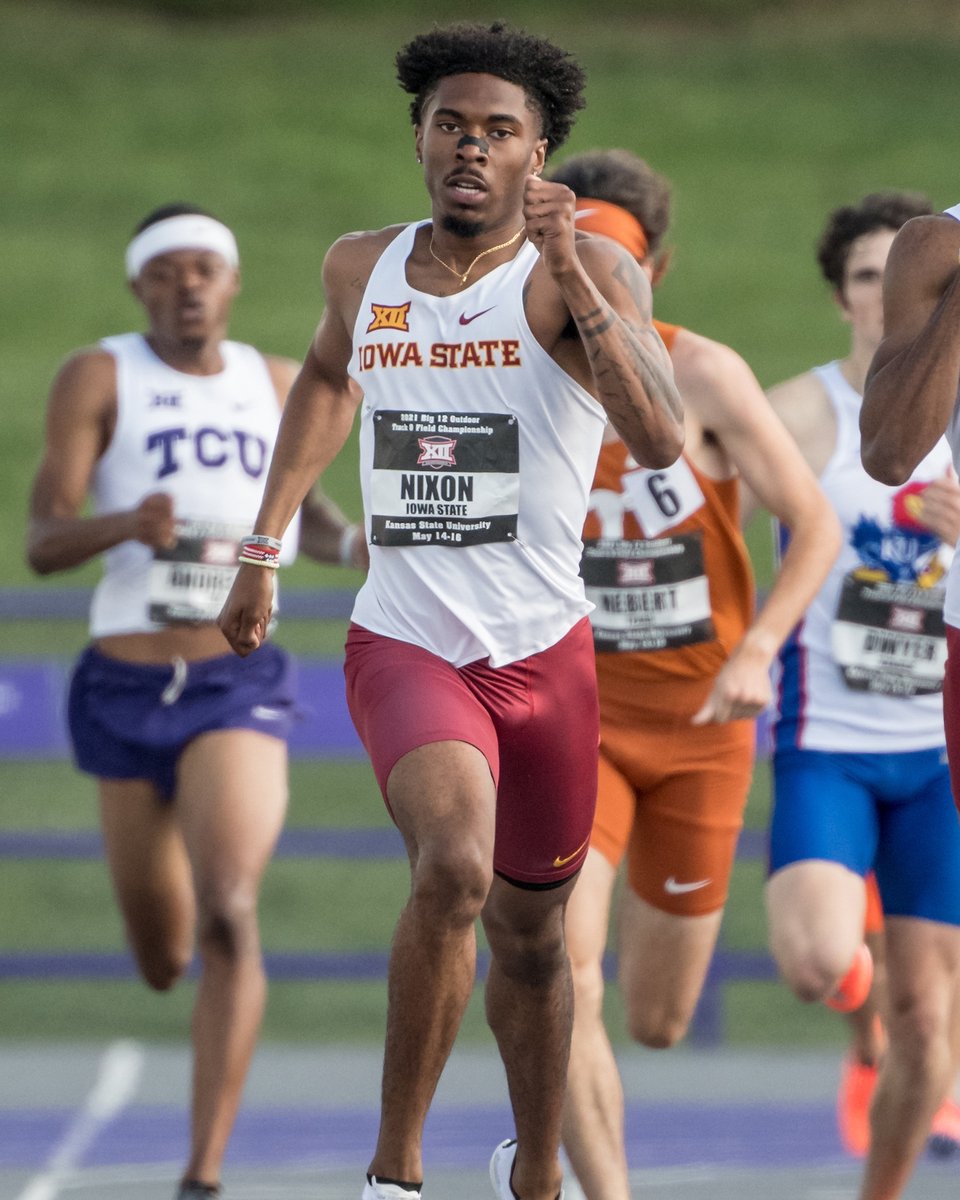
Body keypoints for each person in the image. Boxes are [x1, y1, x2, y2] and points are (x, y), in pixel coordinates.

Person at [217, 22, 684, 1200]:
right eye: (451, 126)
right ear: (420, 138)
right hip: (408, 638)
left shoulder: (588, 275)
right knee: (455, 870)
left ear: (540, 155)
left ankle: (533, 1173)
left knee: (534, 937)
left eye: (501, 133)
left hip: (546, 654)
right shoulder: (358, 268)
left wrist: (572, 269)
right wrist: (264, 547)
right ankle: (396, 1173)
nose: (472, 148)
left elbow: (662, 434)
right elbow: (328, 378)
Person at [25, 203, 365, 1200]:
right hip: (125, 682)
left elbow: (306, 500)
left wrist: (351, 545)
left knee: (230, 911)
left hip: (234, 679)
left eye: (204, 270)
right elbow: (43, 540)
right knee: (165, 955)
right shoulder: (101, 376)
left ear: (232, 282)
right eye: (167, 272)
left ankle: (203, 1174)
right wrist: (126, 522)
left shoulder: (270, 380)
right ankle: (178, 966)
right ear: (141, 286)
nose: (188, 287)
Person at [538, 149, 840, 1200]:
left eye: (619, 268)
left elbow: (816, 521)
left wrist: (759, 647)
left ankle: (855, 979)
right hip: (574, 719)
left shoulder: (703, 373)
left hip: (704, 723)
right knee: (560, 969)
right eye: (578, 264)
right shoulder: (519, 373)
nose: (598, 293)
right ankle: (600, 1188)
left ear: (656, 270)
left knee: (659, 1020)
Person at [765, 191, 960, 1200]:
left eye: (902, 273)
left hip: (938, 743)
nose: (891, 294)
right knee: (814, 960)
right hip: (828, 734)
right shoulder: (803, 412)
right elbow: (685, 466)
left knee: (934, 1021)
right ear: (844, 296)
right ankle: (861, 1018)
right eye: (869, 279)